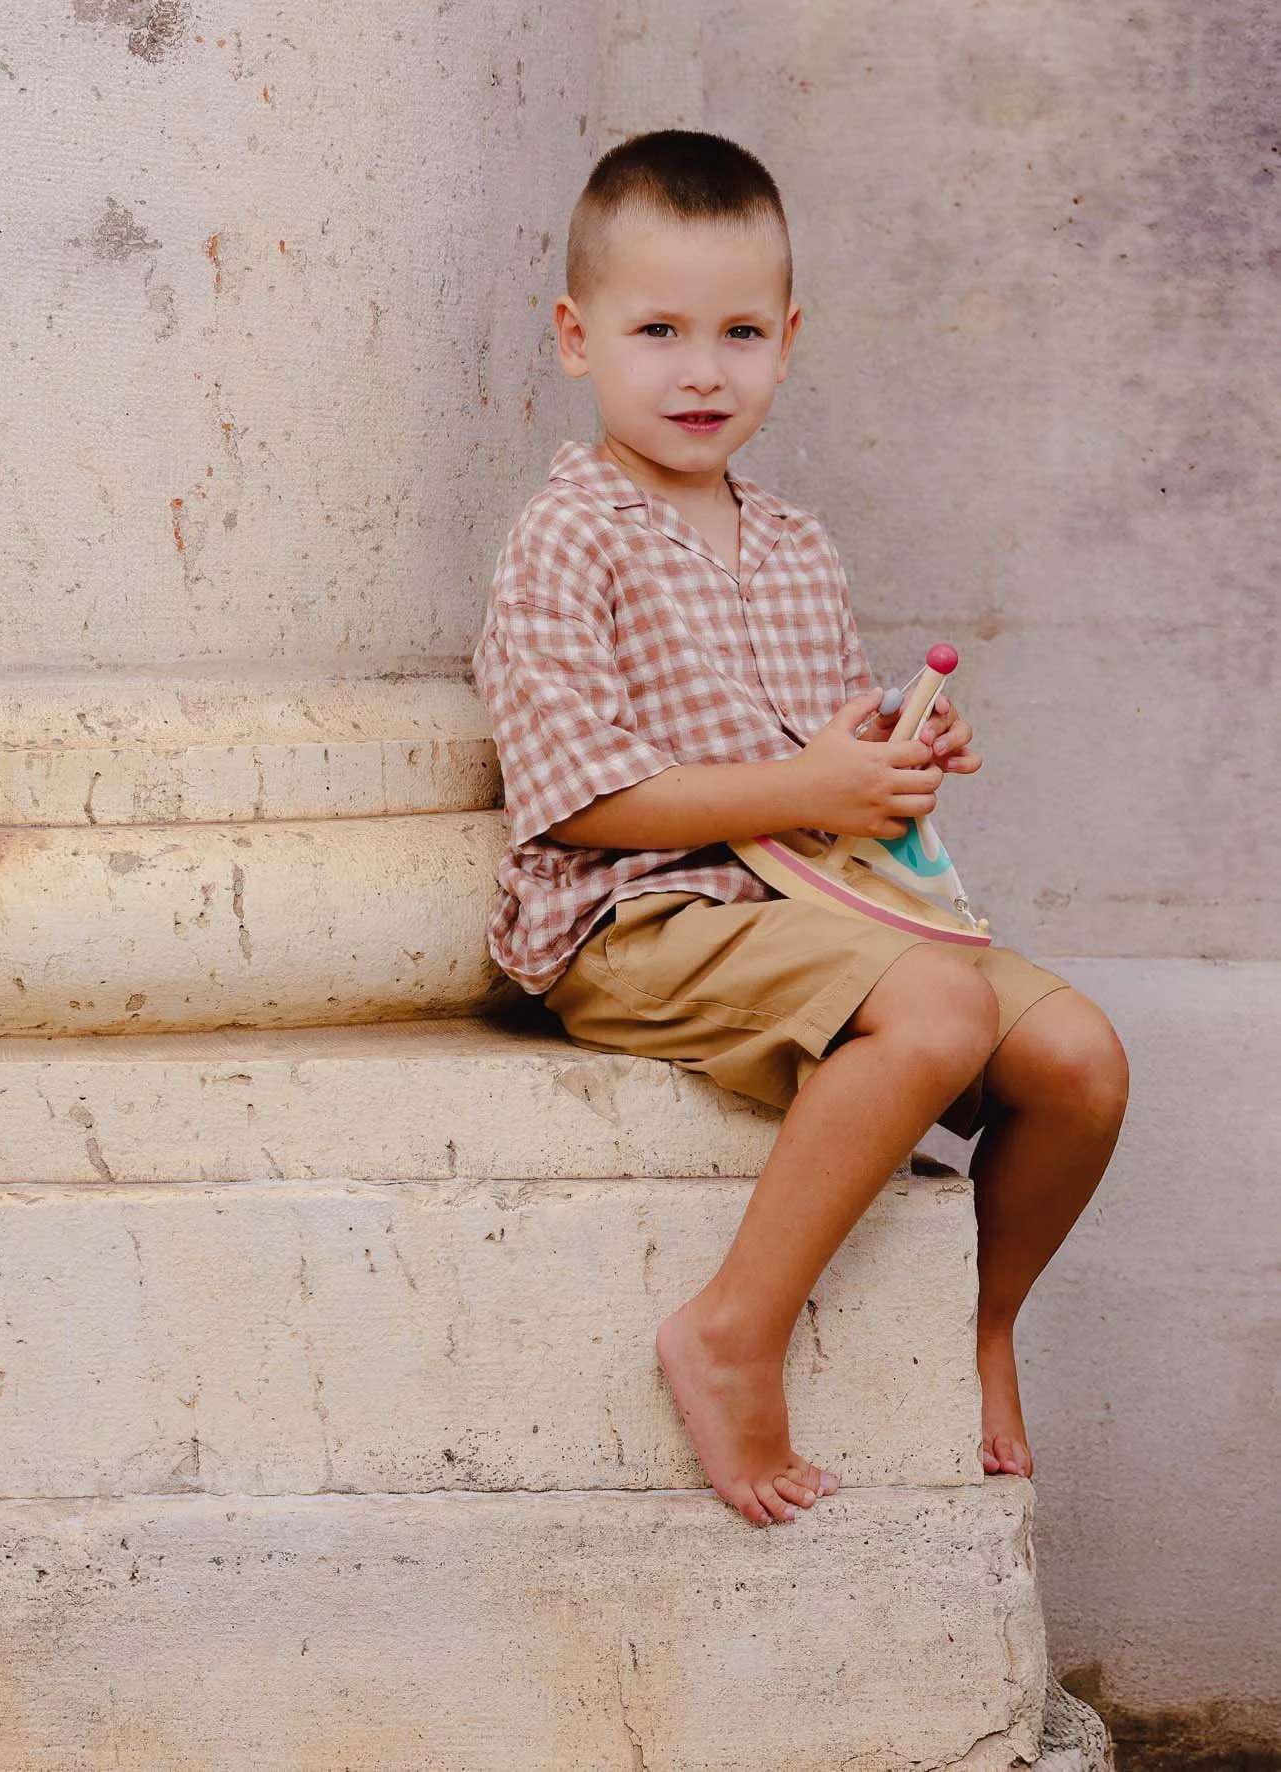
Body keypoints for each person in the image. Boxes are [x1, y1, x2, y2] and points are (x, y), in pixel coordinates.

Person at [473, 132, 1127, 1526]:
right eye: (658, 331)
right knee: (941, 1012)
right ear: (578, 340)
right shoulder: (567, 535)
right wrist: (808, 794)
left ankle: (981, 1323)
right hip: (634, 914)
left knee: (1079, 1060)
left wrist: (895, 757)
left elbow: (825, 768)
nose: (702, 370)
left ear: (789, 339)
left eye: (740, 333)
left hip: (808, 897)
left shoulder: (794, 544)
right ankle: (731, 1329)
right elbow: (576, 798)